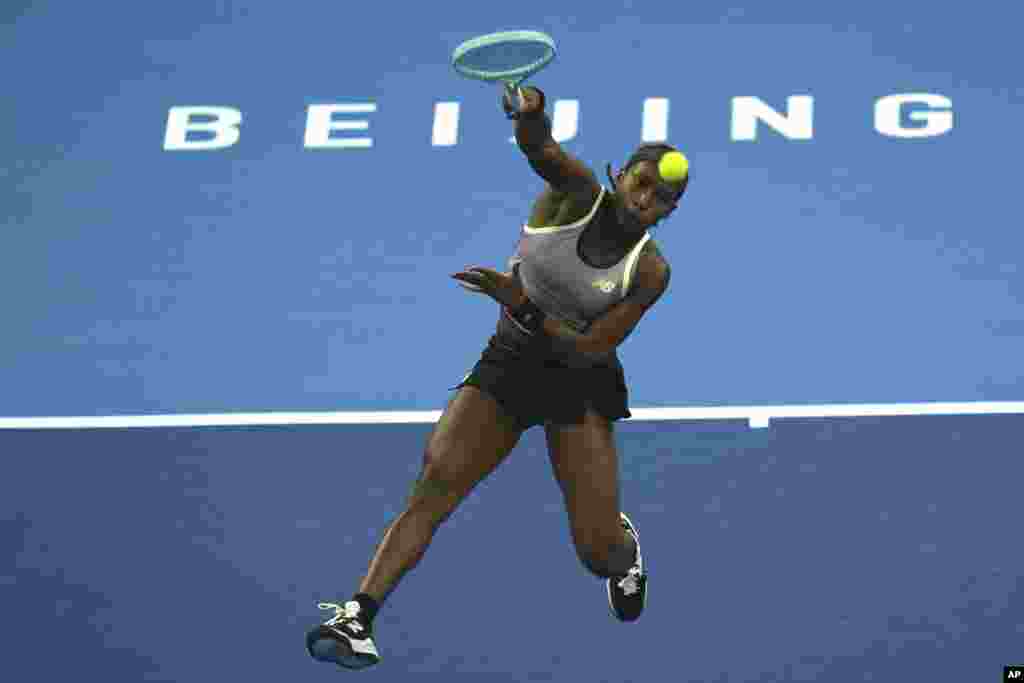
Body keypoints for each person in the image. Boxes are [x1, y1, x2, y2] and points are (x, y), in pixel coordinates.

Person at [306, 83, 690, 669]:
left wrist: (524, 304)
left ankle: (625, 549)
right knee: (438, 481)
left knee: (596, 551)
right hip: (510, 363)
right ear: (619, 176)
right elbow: (542, 151)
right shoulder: (575, 196)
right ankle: (359, 614)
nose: (647, 199)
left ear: (669, 212)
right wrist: (532, 119)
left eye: (662, 198)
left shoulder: (651, 271)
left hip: (578, 383)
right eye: (642, 183)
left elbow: (590, 350)